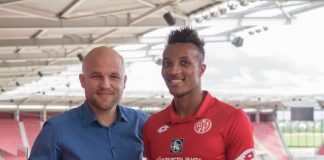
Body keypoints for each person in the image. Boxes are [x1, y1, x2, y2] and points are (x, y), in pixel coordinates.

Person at [143, 27, 255, 160]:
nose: (173, 71)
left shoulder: (233, 119)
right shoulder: (153, 125)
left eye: (184, 63)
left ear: (201, 70)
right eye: (167, 64)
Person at [29, 46, 150, 160]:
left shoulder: (143, 123)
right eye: (97, 76)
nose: (105, 85)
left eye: (114, 77)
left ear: (124, 81)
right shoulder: (56, 129)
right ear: (83, 80)